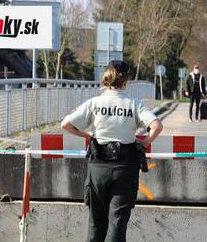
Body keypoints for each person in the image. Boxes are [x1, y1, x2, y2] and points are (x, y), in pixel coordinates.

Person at [61, 60, 163, 242]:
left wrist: (88, 135)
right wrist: (146, 141)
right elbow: (157, 125)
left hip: (98, 167)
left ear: (106, 77)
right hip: (125, 168)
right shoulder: (134, 104)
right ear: (126, 81)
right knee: (117, 225)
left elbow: (66, 124)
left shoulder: (95, 103)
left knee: (95, 225)